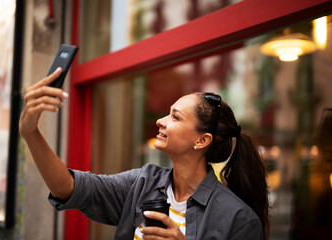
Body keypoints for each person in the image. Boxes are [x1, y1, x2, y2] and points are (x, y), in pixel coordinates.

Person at [19, 68, 270, 240]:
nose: (161, 121)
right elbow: (68, 187)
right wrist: (31, 132)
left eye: (175, 117)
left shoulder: (239, 220)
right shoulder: (142, 183)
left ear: (202, 140)